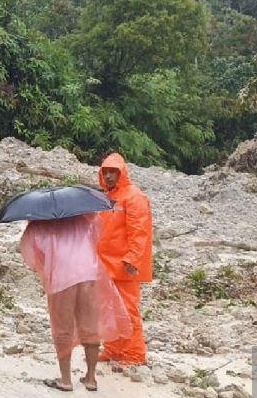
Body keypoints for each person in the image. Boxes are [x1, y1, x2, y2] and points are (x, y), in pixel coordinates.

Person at [20, 213, 132, 392]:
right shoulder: (85, 218)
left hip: (61, 278)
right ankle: (91, 378)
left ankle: (65, 380)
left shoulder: (38, 224)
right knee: (90, 326)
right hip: (88, 274)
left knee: (62, 328)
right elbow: (97, 236)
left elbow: (31, 257)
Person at [97, 153, 153, 365]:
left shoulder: (133, 196)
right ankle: (113, 349)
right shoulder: (107, 197)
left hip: (124, 265)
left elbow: (139, 231)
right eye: (106, 172)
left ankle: (134, 354)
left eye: (113, 172)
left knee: (128, 310)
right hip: (106, 264)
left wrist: (133, 259)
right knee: (108, 309)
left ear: (122, 173)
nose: (109, 176)